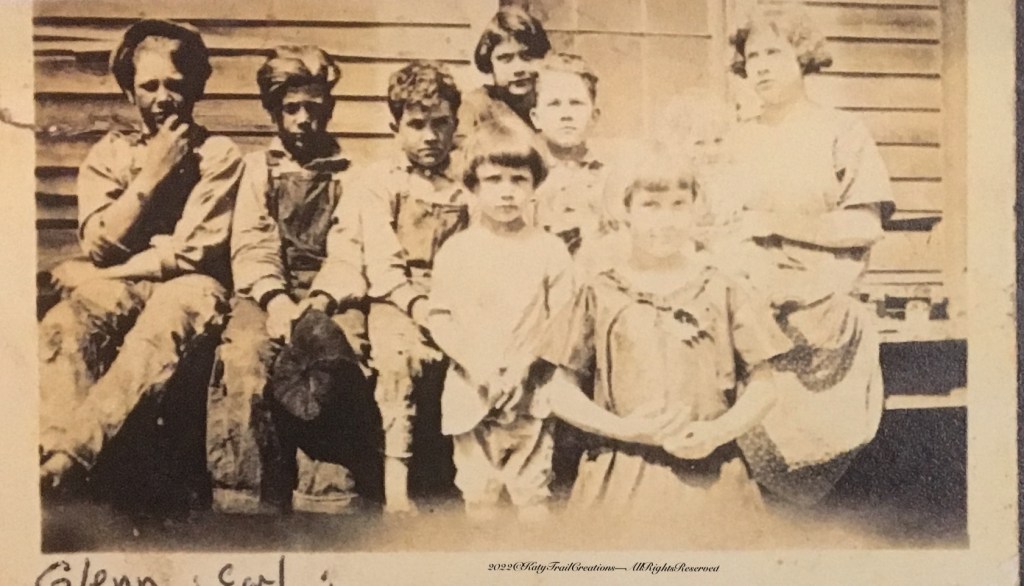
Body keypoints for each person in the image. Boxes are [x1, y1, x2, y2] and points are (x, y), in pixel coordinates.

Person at [532, 149, 793, 520]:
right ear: (625, 209)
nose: (666, 220)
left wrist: (717, 432)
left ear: (695, 208)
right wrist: (626, 429)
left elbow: (765, 385)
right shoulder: (598, 293)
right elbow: (559, 391)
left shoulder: (723, 289)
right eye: (650, 205)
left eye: (678, 205)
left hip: (711, 479)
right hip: (621, 476)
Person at [38, 20, 242, 491]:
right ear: (130, 93)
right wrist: (150, 177)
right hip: (121, 283)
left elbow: (188, 254)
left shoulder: (219, 155)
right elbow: (99, 243)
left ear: (197, 87)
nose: (162, 98)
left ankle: (72, 458)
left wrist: (96, 275)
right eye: (148, 86)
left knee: (162, 321)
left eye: (175, 84)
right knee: (65, 322)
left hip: (193, 288)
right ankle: (47, 455)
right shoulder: (110, 154)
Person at [724, 8, 893, 505]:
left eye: (773, 52)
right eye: (751, 56)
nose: (760, 66)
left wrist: (778, 223)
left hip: (821, 315)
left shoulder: (842, 131)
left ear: (802, 56)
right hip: (751, 313)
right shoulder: (734, 138)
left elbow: (865, 225)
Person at [206, 46, 382, 514]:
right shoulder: (256, 170)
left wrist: (321, 300)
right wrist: (276, 300)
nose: (304, 119)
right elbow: (251, 241)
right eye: (292, 108)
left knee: (338, 353)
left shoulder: (352, 173)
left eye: (314, 108)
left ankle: (328, 490)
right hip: (267, 291)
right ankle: (246, 492)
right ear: (274, 111)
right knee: (244, 355)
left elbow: (351, 246)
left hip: (331, 291)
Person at [313, 60, 466, 514]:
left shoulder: (465, 186)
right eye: (417, 125)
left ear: (455, 124)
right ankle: (396, 488)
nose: (430, 136)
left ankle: (480, 476)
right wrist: (419, 306)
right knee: (398, 366)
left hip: (455, 297)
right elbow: (381, 261)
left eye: (441, 124)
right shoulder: (379, 182)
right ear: (395, 126)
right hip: (397, 300)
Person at [426, 121, 574, 522]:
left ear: (534, 185)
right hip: (473, 389)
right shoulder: (457, 250)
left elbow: (563, 320)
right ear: (472, 186)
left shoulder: (549, 249)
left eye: (518, 179)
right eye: (493, 179)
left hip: (529, 393)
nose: (507, 190)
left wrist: (525, 366)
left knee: (531, 495)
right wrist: (478, 365)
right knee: (479, 495)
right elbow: (440, 317)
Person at [528, 53, 611, 254]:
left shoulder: (610, 178)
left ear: (594, 116)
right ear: (536, 118)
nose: (566, 115)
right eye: (554, 104)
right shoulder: (525, 177)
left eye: (576, 103)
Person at [460, 5, 551, 134]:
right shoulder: (477, 107)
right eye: (505, 58)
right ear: (489, 63)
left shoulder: (554, 103)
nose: (518, 69)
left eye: (528, 56)